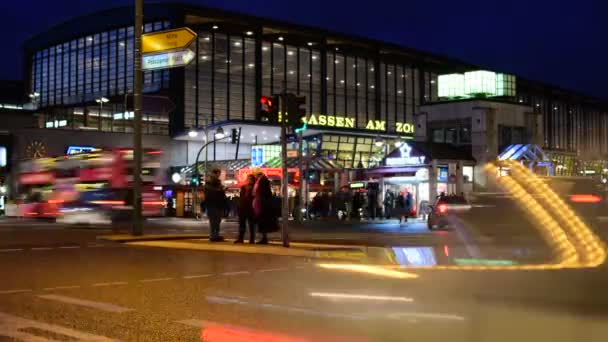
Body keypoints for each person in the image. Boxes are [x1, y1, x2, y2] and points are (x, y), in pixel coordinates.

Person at [253, 172, 276, 244]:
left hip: (262, 204)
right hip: (262, 204)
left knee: (263, 221)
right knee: (262, 221)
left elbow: (260, 192)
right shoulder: (263, 181)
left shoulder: (262, 181)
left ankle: (264, 238)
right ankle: (264, 237)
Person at [204, 169, 226, 242]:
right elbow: (211, 192)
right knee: (213, 221)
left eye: (219, 174)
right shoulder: (209, 183)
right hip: (212, 204)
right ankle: (213, 236)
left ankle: (216, 235)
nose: (218, 176)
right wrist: (220, 190)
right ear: (214, 174)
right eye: (218, 174)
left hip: (218, 204)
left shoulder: (217, 183)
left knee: (217, 221)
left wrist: (222, 190)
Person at [235, 174, 256, 244]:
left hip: (251, 208)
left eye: (251, 178)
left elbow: (255, 197)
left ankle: (252, 239)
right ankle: (240, 238)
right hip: (242, 207)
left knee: (251, 224)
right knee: (241, 224)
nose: (249, 180)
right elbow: (241, 197)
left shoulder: (255, 187)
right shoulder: (243, 187)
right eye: (248, 178)